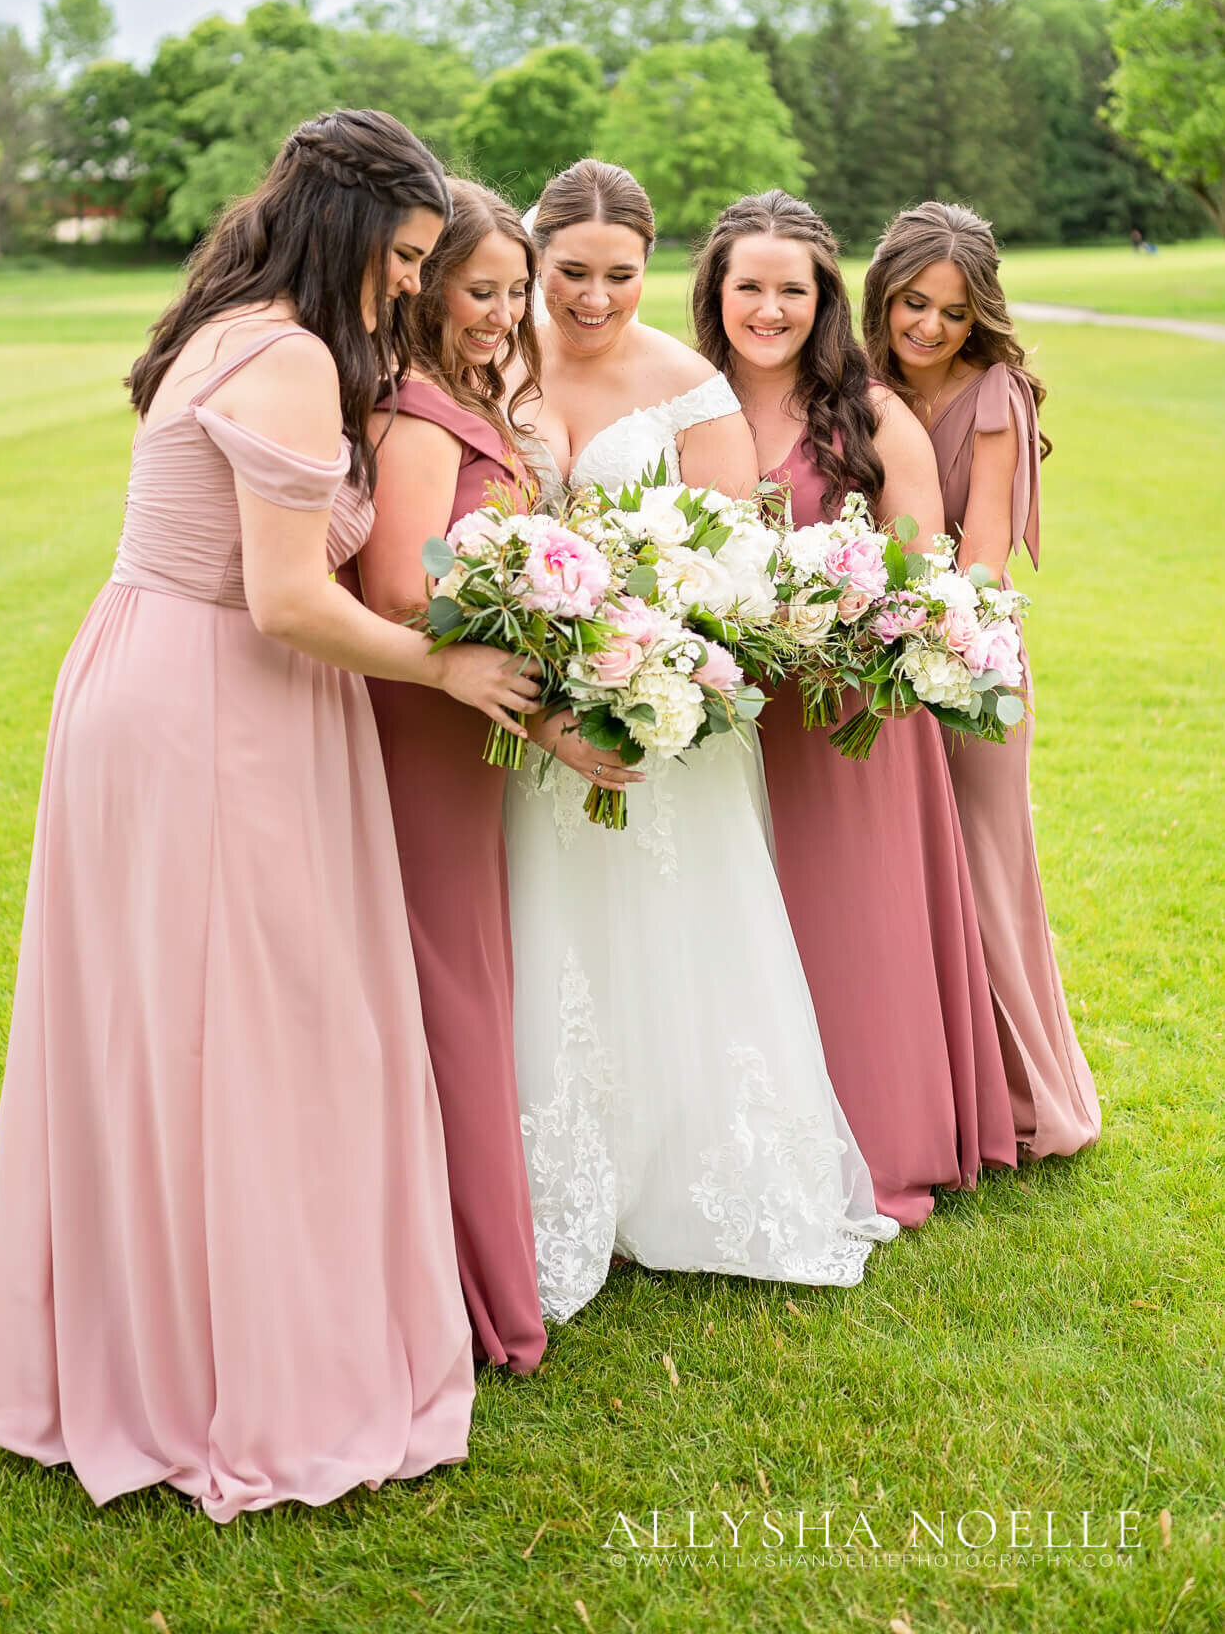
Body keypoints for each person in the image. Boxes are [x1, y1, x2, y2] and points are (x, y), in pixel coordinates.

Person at [0, 111, 541, 1521]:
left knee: (179, 1029)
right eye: (405, 255)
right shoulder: (285, 357)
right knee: (260, 1030)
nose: (412, 282)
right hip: (218, 700)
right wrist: (449, 666)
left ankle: (170, 1336)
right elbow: (288, 599)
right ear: (348, 234)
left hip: (162, 674)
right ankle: (230, 1372)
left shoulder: (228, 322)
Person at [502, 159, 898, 1323]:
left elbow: (732, 578)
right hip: (530, 711)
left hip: (663, 713)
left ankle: (693, 1178)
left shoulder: (688, 390)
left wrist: (643, 654)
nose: (591, 296)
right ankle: (558, 1176)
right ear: (534, 262)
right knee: (553, 928)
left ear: (649, 266)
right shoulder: (492, 361)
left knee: (678, 931)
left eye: (618, 274)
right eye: (568, 272)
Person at [692, 189, 1017, 1225]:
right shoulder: (682, 403)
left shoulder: (872, 410)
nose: (771, 307)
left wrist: (842, 608)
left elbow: (925, 565)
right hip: (731, 713)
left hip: (851, 717)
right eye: (751, 285)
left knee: (855, 926)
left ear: (823, 298)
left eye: (793, 288)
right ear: (718, 290)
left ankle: (884, 1134)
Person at [862, 200, 1101, 1160]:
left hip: (970, 661)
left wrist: (927, 631)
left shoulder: (994, 393)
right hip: (865, 667)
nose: (927, 327)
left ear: (977, 319)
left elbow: (988, 552)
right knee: (902, 881)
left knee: (988, 875)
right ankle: (933, 1095)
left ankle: (1030, 1098)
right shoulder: (851, 387)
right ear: (881, 294)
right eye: (912, 303)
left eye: (951, 314)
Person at [357, 179, 548, 1374]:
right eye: (483, 288)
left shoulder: (468, 398)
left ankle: (480, 1267)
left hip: (467, 726)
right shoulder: (415, 417)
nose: (503, 312)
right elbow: (396, 592)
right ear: (424, 283)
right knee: (451, 986)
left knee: (472, 974)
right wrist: (542, 620)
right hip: (422, 719)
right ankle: (480, 1294)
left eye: (514, 292)